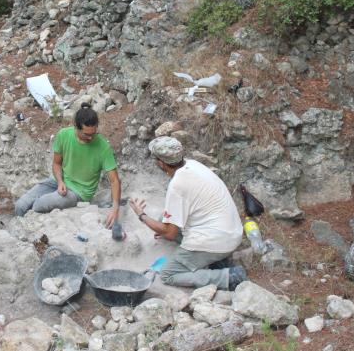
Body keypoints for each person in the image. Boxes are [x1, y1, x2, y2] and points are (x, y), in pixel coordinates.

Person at [129, 136, 247, 291]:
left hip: (217, 240)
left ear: (161, 163)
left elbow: (170, 233)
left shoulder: (178, 184)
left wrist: (141, 215)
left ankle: (227, 277)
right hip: (231, 232)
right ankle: (216, 260)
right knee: (161, 220)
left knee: (167, 274)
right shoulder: (193, 165)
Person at [14, 103, 121, 228]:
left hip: (80, 191)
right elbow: (56, 163)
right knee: (21, 205)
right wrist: (60, 182)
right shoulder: (64, 135)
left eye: (94, 133)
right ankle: (19, 233)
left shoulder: (103, 147)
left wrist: (115, 208)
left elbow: (114, 180)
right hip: (59, 181)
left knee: (38, 205)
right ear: (76, 127)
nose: (91, 138)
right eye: (87, 134)